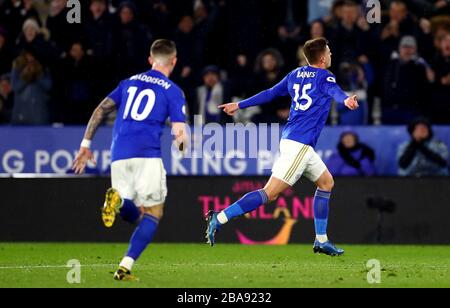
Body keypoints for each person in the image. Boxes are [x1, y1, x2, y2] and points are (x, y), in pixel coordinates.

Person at [208, 38, 359, 256]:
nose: (332, 55)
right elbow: (335, 92)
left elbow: (270, 93)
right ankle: (220, 217)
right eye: (330, 51)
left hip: (295, 141)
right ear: (323, 57)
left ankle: (321, 240)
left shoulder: (295, 74)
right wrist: (345, 100)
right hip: (299, 145)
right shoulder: (326, 76)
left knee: (326, 183)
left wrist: (239, 104)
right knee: (269, 194)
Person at [72, 40, 188, 281]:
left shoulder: (128, 82)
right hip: (147, 154)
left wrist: (85, 145)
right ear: (174, 61)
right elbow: (179, 135)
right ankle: (126, 264)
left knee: (136, 212)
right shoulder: (173, 91)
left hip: (119, 154)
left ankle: (117, 205)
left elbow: (101, 110)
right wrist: (183, 145)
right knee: (154, 212)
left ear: (150, 59)